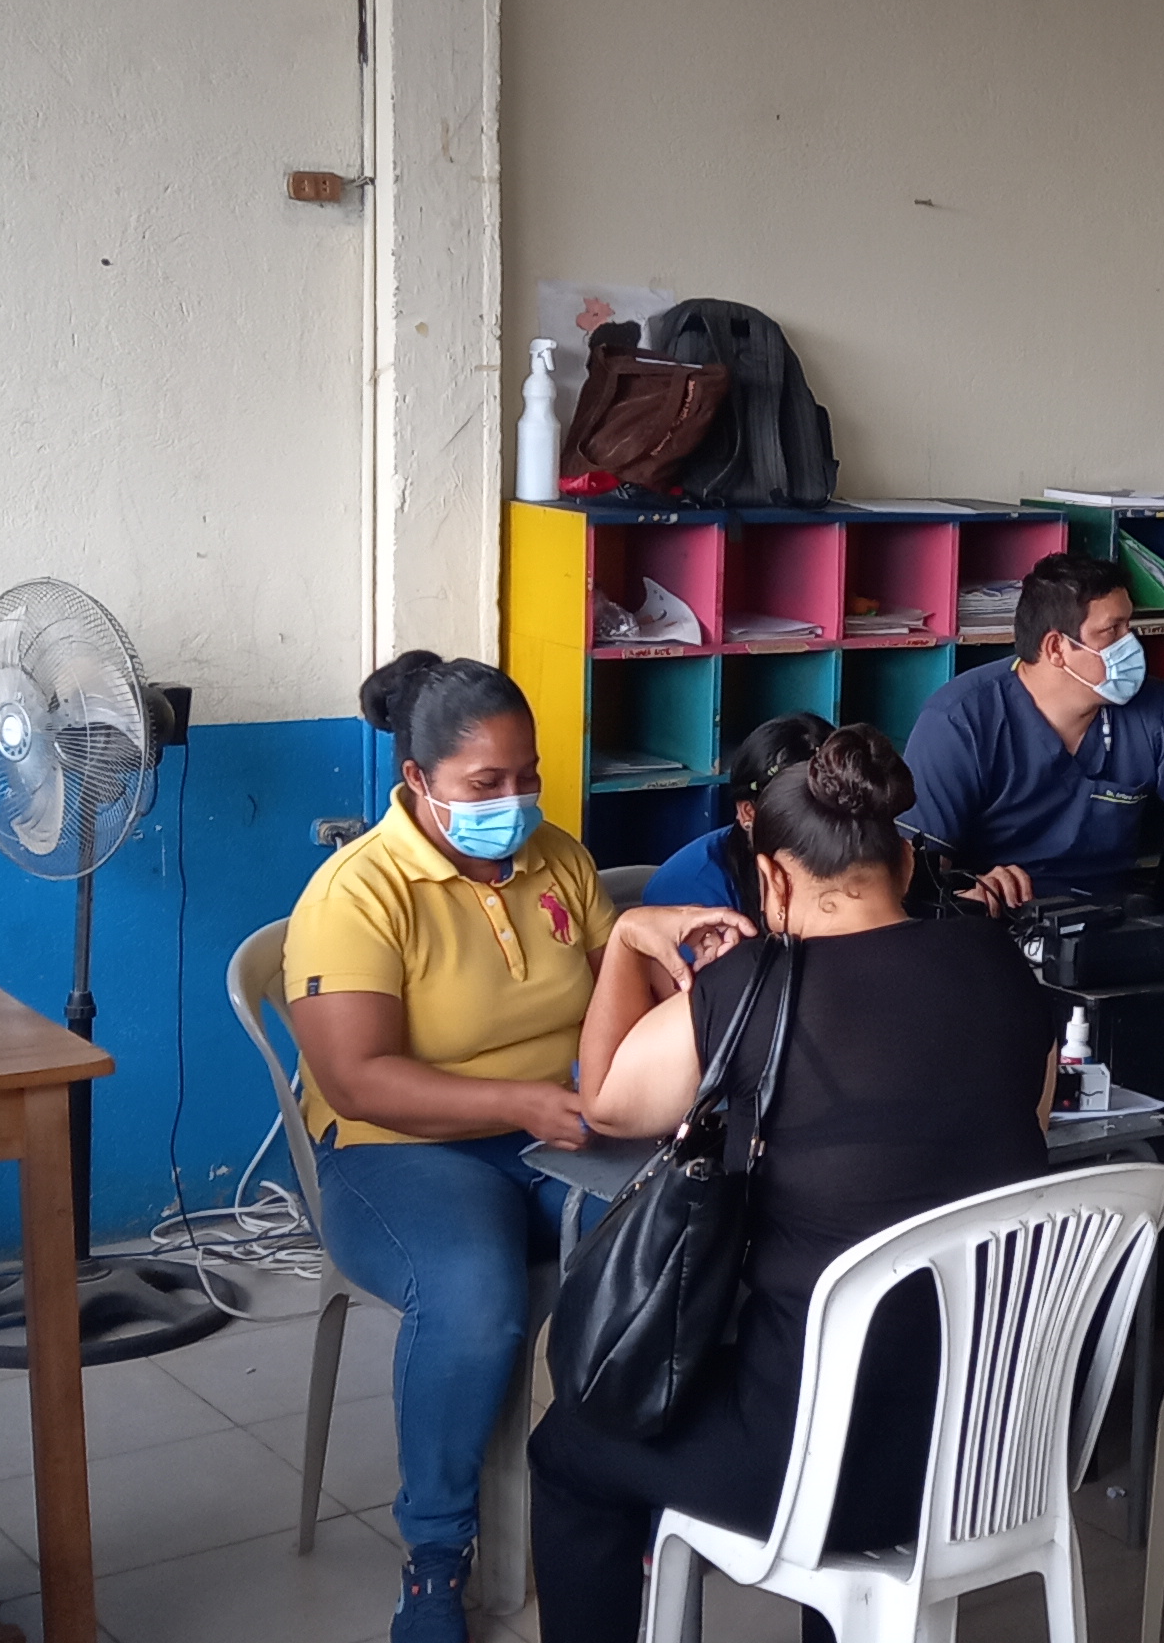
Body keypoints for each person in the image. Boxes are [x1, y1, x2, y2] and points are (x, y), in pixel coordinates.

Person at [528, 726, 1057, 1642]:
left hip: (818, 1465)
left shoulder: (752, 988)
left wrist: (626, 944)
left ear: (770, 879)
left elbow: (607, 1105)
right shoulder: (999, 964)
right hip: (995, 1445)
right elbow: (1026, 1132)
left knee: (570, 1450)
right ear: (904, 859)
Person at [283, 651, 617, 1643]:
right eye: (484, 783)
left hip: (555, 1128)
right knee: (474, 1298)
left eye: (527, 776)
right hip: (398, 1149)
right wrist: (524, 1100)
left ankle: (619, 1493)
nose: (512, 802)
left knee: (677, 1234)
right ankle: (435, 1559)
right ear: (417, 780)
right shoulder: (358, 892)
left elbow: (616, 986)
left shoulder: (557, 859)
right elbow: (357, 1080)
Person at [904, 551, 1164, 907]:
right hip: (1004, 918)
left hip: (1116, 914)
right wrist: (966, 895)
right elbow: (917, 876)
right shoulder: (958, 721)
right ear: (1056, 648)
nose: (1132, 645)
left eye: (1129, 627)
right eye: (1112, 631)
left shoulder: (1157, 707)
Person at [641, 710, 834, 920]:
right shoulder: (691, 888)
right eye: (797, 815)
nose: (822, 829)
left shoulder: (851, 863)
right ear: (748, 812)